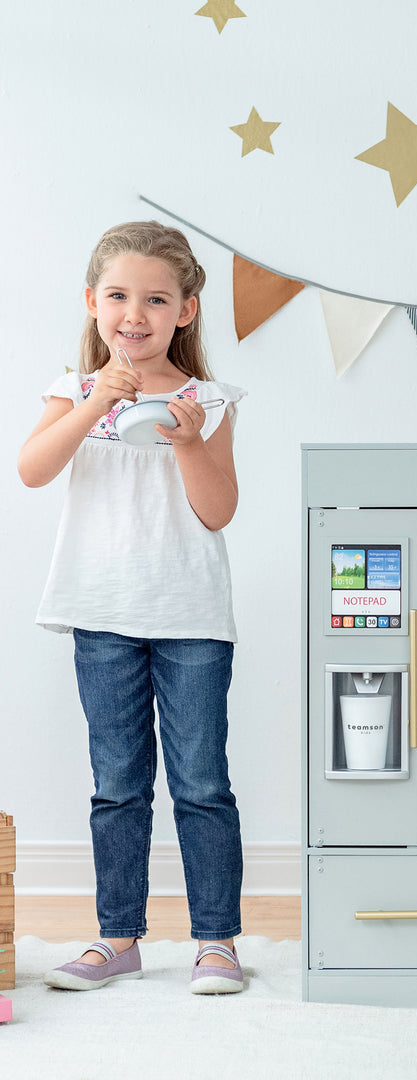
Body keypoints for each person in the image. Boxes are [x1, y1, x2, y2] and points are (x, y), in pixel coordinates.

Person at [18, 221, 247, 994]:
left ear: (185, 310)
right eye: (117, 296)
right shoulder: (72, 388)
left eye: (155, 298)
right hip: (102, 612)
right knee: (117, 782)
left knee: (201, 782)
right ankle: (119, 938)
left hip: (190, 617)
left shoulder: (208, 400)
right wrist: (95, 401)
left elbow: (218, 511)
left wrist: (187, 442)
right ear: (92, 303)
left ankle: (216, 941)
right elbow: (32, 469)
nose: (134, 313)